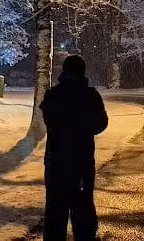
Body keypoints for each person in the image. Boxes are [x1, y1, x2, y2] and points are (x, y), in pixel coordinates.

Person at [39, 55, 108, 241]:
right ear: (82, 71)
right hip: (82, 162)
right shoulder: (91, 95)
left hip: (56, 162)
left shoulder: (53, 94)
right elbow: (101, 124)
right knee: (83, 208)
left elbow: (48, 118)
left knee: (55, 211)